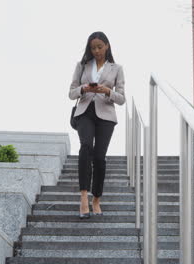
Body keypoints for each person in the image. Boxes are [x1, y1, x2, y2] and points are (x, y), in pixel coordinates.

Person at [69, 31, 125, 219]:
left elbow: (122, 99)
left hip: (106, 115)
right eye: (93, 48)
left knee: (100, 158)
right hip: (85, 112)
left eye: (100, 47)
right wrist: (84, 88)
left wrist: (107, 91)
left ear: (107, 46)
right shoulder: (82, 66)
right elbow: (71, 93)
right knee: (86, 147)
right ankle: (84, 197)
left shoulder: (117, 68)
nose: (96, 51)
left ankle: (96, 199)